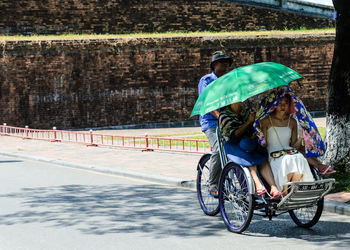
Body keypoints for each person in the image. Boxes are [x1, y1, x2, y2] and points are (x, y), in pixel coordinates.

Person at [219, 101, 282, 199]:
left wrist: (257, 118)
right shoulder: (224, 116)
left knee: (262, 155)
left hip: (251, 142)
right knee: (246, 145)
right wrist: (248, 122)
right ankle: (257, 183)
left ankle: (274, 188)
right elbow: (234, 135)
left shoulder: (246, 111)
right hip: (234, 145)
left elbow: (256, 126)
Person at [259, 94, 314, 194]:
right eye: (279, 103)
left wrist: (301, 137)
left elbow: (294, 145)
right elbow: (263, 143)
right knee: (288, 159)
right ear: (274, 104)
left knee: (300, 158)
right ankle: (284, 191)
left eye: (286, 103)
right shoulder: (266, 121)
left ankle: (293, 189)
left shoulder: (292, 121)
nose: (283, 106)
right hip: (273, 153)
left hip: (289, 150)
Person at [198, 51, 233, 197]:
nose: (225, 66)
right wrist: (219, 117)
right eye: (222, 63)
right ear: (214, 65)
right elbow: (206, 103)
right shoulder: (206, 80)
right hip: (211, 122)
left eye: (226, 63)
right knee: (219, 149)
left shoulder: (229, 81)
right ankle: (212, 184)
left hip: (227, 120)